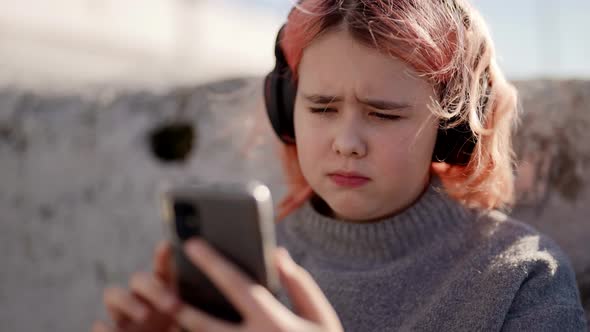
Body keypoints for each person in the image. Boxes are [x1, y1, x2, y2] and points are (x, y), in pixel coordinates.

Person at [93, 0, 588, 331]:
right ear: (286, 108)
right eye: (322, 108)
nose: (347, 142)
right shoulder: (249, 268)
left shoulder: (520, 276)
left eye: (383, 113)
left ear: (454, 127)